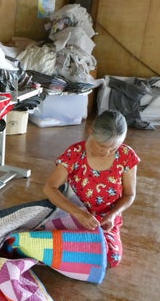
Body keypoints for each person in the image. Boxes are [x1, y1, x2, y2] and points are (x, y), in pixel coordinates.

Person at [43, 110, 140, 267]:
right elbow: (50, 188)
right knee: (47, 243)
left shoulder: (126, 155)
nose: (107, 152)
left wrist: (113, 215)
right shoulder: (75, 153)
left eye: (114, 148)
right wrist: (79, 214)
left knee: (110, 258)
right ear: (91, 132)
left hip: (105, 220)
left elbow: (129, 194)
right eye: (102, 146)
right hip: (73, 212)